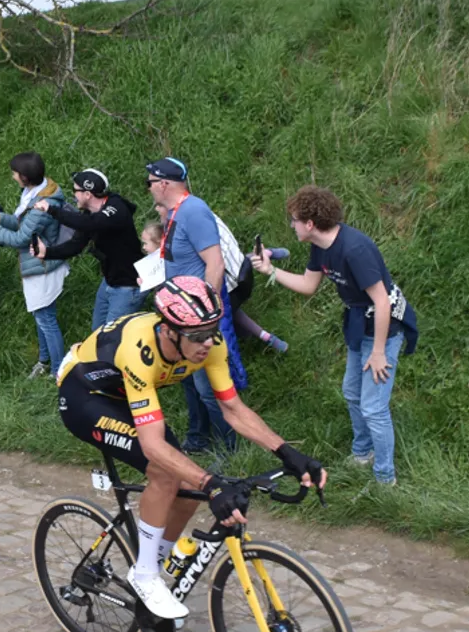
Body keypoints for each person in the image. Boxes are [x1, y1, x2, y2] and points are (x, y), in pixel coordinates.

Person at [56, 275, 326, 619]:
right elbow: (153, 447)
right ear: (169, 330)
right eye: (197, 336)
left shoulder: (210, 344)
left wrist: (288, 453)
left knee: (186, 488)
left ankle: (150, 563)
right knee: (167, 474)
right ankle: (145, 576)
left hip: (129, 397)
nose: (207, 343)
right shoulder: (141, 349)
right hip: (85, 396)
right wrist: (212, 485)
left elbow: (233, 409)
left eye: (212, 330)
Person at [252, 185, 418, 486]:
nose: (292, 225)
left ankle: (385, 479)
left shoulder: (354, 250)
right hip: (359, 325)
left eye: (294, 220)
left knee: (374, 407)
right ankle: (362, 453)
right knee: (352, 393)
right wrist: (270, 271)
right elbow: (307, 285)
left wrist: (379, 352)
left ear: (310, 224)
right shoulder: (321, 247)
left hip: (383, 328)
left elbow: (382, 301)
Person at [145, 157, 247, 455]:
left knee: (208, 388)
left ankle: (229, 453)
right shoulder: (176, 212)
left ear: (164, 183)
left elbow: (215, 264)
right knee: (188, 381)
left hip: (197, 319)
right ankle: (199, 439)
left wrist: (206, 319)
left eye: (149, 183)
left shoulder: (194, 211)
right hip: (180, 316)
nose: (148, 189)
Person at [0, 152, 69, 379]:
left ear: (25, 177)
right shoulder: (33, 192)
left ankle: (58, 372)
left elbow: (21, 238)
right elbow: (20, 222)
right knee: (41, 316)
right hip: (36, 265)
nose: (12, 176)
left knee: (47, 320)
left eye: (15, 173)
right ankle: (44, 361)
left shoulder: (41, 206)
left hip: (43, 268)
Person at [143, 221, 288, 354]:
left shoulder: (168, 259)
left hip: (211, 289)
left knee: (233, 310)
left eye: (146, 243)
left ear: (158, 243)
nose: (143, 248)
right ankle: (264, 337)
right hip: (209, 289)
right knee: (234, 313)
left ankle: (266, 337)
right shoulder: (167, 256)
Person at [30, 168, 145, 329]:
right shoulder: (88, 215)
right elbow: (75, 246)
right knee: (97, 333)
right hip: (109, 282)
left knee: (113, 339)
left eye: (75, 190)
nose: (73, 195)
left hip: (128, 286)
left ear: (87, 194)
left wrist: (52, 210)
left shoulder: (116, 207)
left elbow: (94, 223)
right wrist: (47, 253)